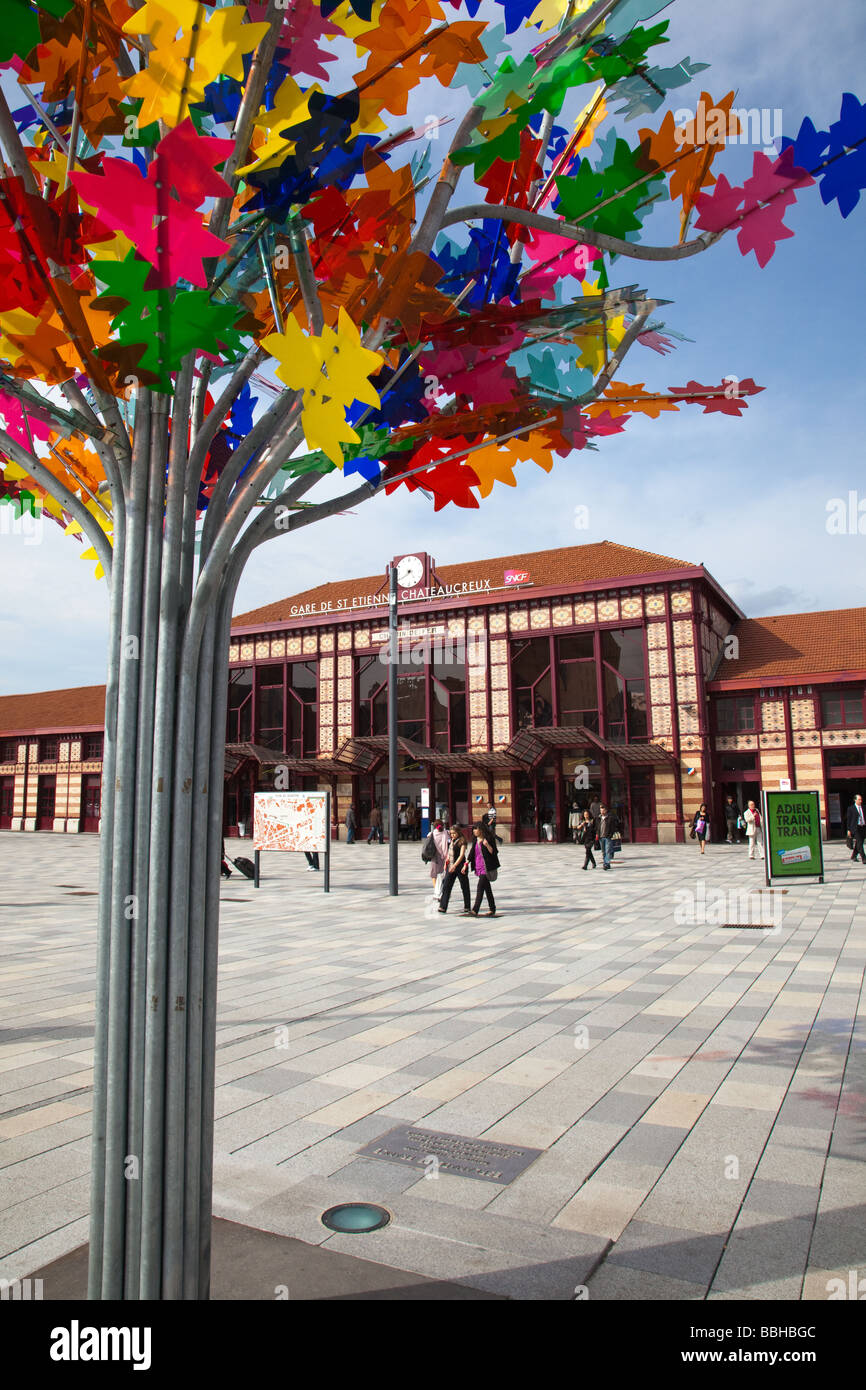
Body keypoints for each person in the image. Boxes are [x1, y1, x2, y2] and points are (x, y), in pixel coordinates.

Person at [438, 825, 472, 914]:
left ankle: (467, 906)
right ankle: (443, 906)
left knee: (464, 886)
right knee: (446, 885)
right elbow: (449, 853)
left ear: (458, 832)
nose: (452, 835)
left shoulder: (462, 841)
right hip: (451, 866)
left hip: (460, 867)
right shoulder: (451, 841)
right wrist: (447, 863)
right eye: (451, 833)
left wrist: (455, 865)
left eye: (454, 833)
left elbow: (461, 855)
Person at [468, 821, 499, 915]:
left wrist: (487, 845)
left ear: (481, 830)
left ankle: (475, 910)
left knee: (480, 886)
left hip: (487, 867)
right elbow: (472, 851)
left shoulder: (489, 838)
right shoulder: (475, 840)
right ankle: (492, 908)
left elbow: (494, 852)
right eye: (473, 829)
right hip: (478, 866)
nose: (474, 831)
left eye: (476, 829)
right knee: (487, 888)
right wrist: (467, 862)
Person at [428, 819, 450, 898]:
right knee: (443, 874)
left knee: (434, 874)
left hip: (435, 856)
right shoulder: (446, 833)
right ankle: (443, 890)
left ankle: (436, 891)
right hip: (445, 856)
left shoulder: (432, 834)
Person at [597, 803, 619, 869]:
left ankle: (606, 863)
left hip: (607, 837)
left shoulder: (610, 818)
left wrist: (610, 834)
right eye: (601, 810)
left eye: (603, 810)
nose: (602, 811)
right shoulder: (598, 818)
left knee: (608, 850)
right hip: (601, 837)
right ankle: (606, 862)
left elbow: (613, 827)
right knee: (603, 851)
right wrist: (597, 833)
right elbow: (596, 827)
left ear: (606, 810)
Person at [846, 794, 866, 863]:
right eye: (859, 799)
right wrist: (848, 829)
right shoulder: (851, 808)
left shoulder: (864, 807)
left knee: (859, 842)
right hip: (855, 828)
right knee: (860, 843)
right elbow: (849, 819)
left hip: (863, 827)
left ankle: (854, 856)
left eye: (861, 799)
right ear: (855, 800)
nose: (861, 801)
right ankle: (864, 858)